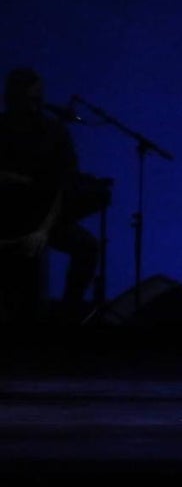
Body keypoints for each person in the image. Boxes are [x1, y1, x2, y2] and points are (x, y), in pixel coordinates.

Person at [0, 68, 102, 325]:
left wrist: (44, 230)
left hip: (45, 218)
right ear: (13, 99)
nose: (35, 106)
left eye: (39, 99)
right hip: (8, 217)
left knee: (87, 247)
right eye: (29, 100)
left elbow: (62, 186)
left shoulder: (53, 131)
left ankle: (68, 317)